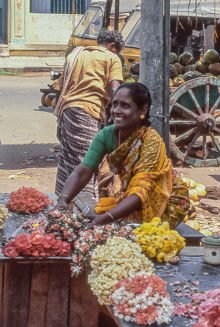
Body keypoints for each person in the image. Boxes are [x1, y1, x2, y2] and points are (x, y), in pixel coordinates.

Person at [56, 82, 191, 229]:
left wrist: (105, 218)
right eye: (115, 104)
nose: (116, 111)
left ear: (143, 111)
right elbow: (83, 171)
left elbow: (142, 191)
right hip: (132, 198)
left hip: (167, 201)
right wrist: (64, 199)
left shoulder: (151, 142)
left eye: (125, 106)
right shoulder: (106, 135)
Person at [54, 29, 125, 199]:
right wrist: (118, 119)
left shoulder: (76, 55)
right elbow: (116, 88)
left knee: (67, 159)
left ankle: (61, 202)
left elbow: (59, 88)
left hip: (67, 110)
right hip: (88, 111)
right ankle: (84, 205)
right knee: (87, 162)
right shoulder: (112, 57)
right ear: (113, 47)